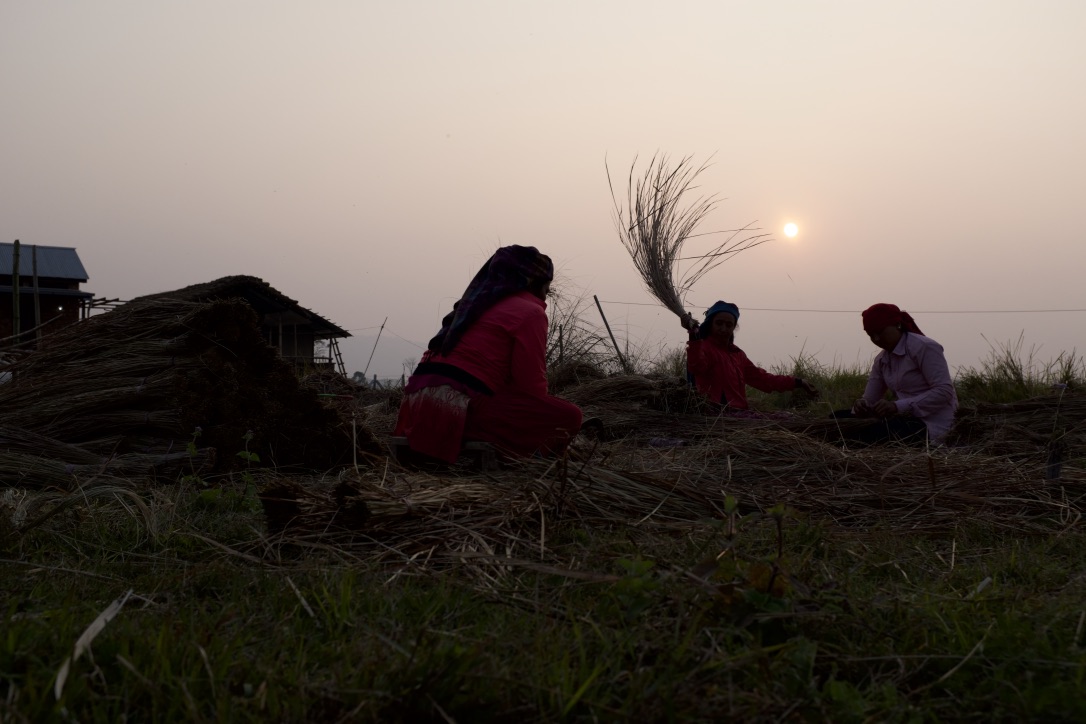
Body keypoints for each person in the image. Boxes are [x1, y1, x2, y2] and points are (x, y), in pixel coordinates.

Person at [394, 245, 583, 462]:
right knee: (569, 416)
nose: (546, 297)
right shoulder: (530, 312)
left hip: (416, 406)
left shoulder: (472, 304)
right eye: (546, 289)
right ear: (533, 283)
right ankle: (530, 460)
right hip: (461, 409)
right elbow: (530, 386)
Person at [836, 303, 958, 445]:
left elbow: (944, 391)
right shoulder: (881, 360)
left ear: (898, 325)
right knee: (837, 419)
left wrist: (897, 406)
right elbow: (870, 398)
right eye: (870, 335)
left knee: (876, 433)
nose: (876, 339)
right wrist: (862, 405)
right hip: (904, 419)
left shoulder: (924, 347)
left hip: (931, 423)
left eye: (879, 332)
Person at [681, 300, 818, 412]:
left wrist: (798, 382)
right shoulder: (703, 348)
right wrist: (693, 338)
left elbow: (762, 379)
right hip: (715, 415)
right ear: (710, 324)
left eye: (729, 325)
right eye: (719, 323)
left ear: (734, 328)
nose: (723, 329)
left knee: (788, 421)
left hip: (739, 413)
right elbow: (697, 367)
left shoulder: (737, 355)